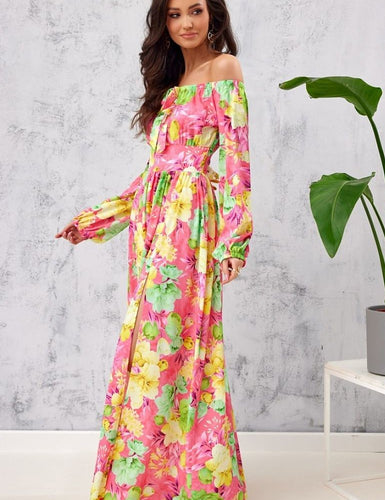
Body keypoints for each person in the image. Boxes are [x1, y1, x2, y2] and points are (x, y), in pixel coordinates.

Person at [55, 0, 252, 498]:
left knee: (181, 345)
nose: (186, 23)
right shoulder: (168, 86)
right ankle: (150, 477)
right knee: (151, 348)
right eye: (174, 14)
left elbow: (236, 162)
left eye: (196, 10)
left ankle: (200, 481)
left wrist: (235, 240)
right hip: (150, 226)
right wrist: (95, 220)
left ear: (213, 16)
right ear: (163, 22)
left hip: (189, 224)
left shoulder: (224, 68)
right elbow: (153, 173)